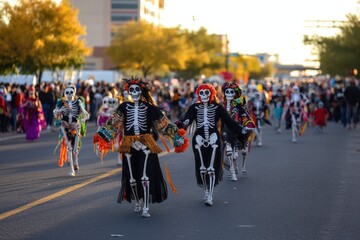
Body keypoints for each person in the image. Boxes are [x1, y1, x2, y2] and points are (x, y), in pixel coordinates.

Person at [93, 77, 188, 218]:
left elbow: (164, 125)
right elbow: (113, 124)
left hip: (146, 143)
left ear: (141, 91)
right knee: (131, 177)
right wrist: (100, 138)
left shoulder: (150, 108)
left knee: (145, 176)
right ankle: (137, 201)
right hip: (129, 144)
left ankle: (145, 206)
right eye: (132, 90)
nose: (134, 92)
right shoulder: (124, 107)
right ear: (128, 91)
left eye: (137, 89)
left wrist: (177, 136)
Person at [175, 83, 245, 206]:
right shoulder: (194, 108)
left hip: (213, 137)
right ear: (198, 94)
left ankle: (210, 195)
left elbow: (229, 121)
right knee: (202, 168)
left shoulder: (218, 107)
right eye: (201, 93)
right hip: (199, 138)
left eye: (206, 92)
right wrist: (180, 126)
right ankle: (205, 190)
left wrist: (241, 130)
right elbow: (187, 119)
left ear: (211, 93)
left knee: (211, 168)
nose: (204, 95)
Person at [53, 83, 89, 177]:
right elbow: (55, 112)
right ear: (65, 93)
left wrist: (82, 119)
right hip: (65, 126)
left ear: (74, 93)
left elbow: (85, 113)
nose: (69, 94)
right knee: (69, 148)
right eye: (67, 92)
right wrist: (60, 111)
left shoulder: (78, 102)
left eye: (71, 92)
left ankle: (76, 161)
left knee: (75, 149)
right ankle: (72, 170)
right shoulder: (61, 102)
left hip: (75, 126)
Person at [221, 82, 255, 181]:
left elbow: (245, 116)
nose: (229, 94)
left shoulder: (238, 106)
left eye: (232, 92)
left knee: (242, 151)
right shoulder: (220, 106)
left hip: (237, 129)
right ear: (224, 93)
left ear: (234, 94)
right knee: (228, 151)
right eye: (227, 92)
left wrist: (248, 125)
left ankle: (241, 165)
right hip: (224, 130)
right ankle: (232, 169)